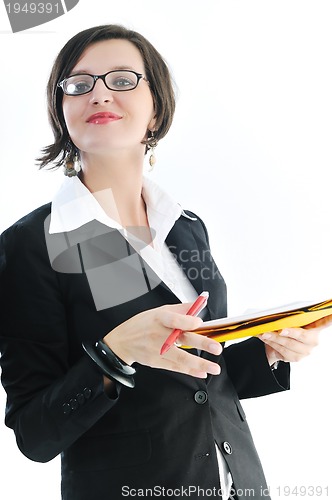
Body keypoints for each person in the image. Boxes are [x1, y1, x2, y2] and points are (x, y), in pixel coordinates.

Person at [0, 24, 329, 500]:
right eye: (79, 84)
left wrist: (266, 352)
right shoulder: (35, 245)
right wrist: (114, 354)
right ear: (62, 111)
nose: (98, 94)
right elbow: (35, 433)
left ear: (155, 111)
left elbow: (197, 367)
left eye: (122, 79)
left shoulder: (184, 225)